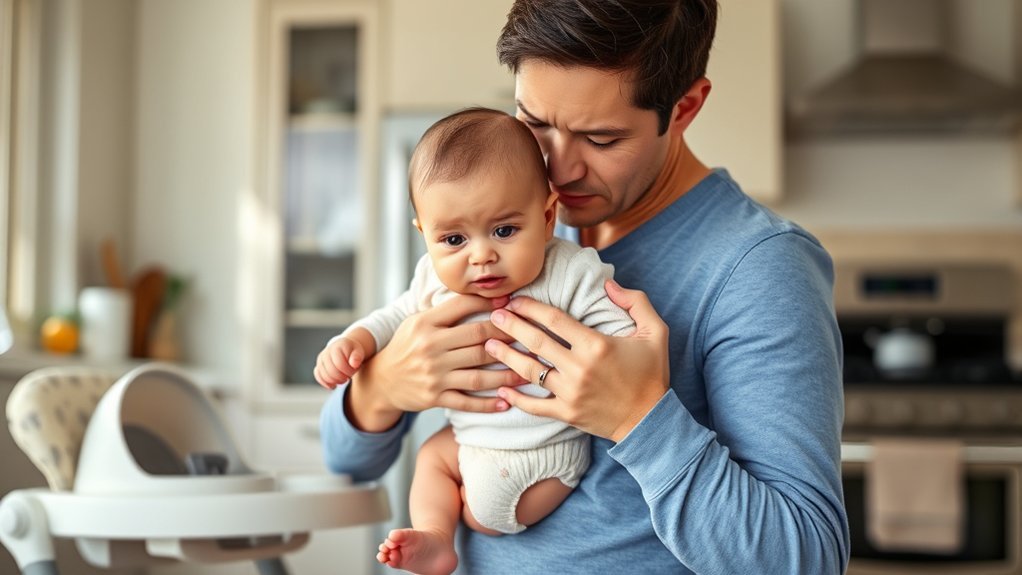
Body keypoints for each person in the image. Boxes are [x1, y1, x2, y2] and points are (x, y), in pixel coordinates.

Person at [319, 1, 850, 573]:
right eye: (535, 122)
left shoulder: (759, 268)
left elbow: (807, 558)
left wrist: (639, 418)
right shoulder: (509, 228)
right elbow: (346, 460)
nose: (558, 168)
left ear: (686, 106)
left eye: (601, 138)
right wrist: (381, 388)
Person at [314, 107, 634, 574]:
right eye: (453, 239)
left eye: (505, 231)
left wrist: (630, 343)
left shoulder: (569, 271)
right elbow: (397, 316)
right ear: (425, 236)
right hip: (469, 451)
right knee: (431, 456)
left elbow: (619, 336)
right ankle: (437, 537)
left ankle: (453, 526)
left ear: (547, 218)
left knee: (440, 461)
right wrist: (357, 342)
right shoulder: (433, 281)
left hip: (542, 461)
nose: (481, 255)